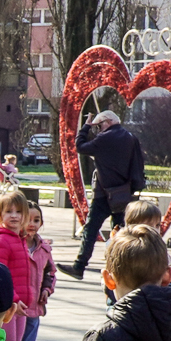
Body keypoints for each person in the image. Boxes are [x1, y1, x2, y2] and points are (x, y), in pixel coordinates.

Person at [67, 109, 149, 278]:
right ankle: (119, 269)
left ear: (107, 122)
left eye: (99, 126)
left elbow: (80, 146)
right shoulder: (131, 138)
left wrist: (86, 127)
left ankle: (79, 266)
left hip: (103, 194)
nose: (98, 130)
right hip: (123, 194)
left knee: (91, 229)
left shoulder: (104, 138)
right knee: (120, 233)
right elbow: (138, 164)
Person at [0, 188, 38, 341]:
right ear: (0, 214)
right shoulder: (0, 240)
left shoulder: (19, 239)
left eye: (18, 212)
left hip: (18, 305)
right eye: (9, 211)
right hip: (6, 304)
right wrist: (13, 298)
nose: (14, 215)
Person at [22, 204, 58, 341]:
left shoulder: (44, 248)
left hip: (34, 306)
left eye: (36, 220)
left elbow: (50, 272)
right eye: (28, 219)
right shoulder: (15, 244)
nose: (32, 224)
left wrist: (47, 289)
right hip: (16, 306)